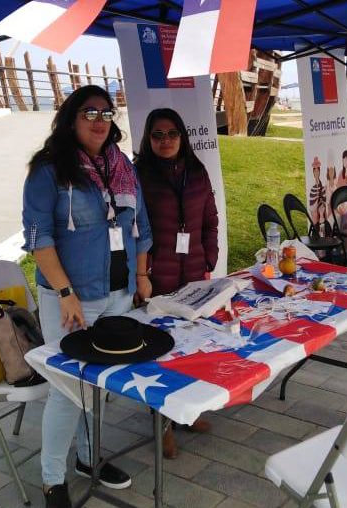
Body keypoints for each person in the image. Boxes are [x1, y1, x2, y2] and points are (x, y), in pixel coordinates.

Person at [22, 85, 153, 508]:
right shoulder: (48, 171)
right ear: (71, 119)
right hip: (72, 299)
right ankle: (51, 478)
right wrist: (64, 292)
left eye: (106, 112)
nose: (99, 121)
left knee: (95, 385)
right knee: (67, 389)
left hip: (118, 294)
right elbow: (39, 238)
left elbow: (141, 226)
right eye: (89, 113)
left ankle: (88, 459)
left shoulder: (123, 167)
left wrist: (143, 276)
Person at [134, 108, 218, 459]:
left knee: (190, 347)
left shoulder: (197, 172)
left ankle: (188, 412)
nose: (165, 140)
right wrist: (142, 275)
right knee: (161, 353)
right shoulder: (139, 176)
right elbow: (135, 229)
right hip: (158, 279)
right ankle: (163, 424)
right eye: (157, 135)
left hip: (195, 275)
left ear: (182, 136)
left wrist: (209, 260)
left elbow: (210, 220)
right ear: (148, 139)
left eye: (171, 134)